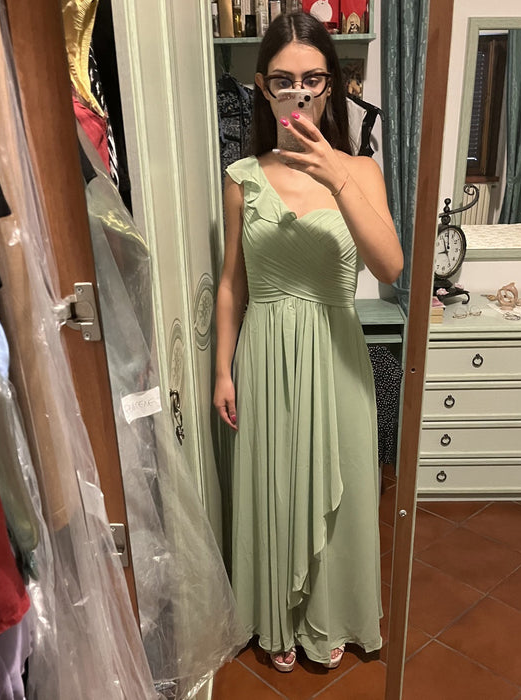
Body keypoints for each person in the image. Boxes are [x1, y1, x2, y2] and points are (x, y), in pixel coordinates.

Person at [213, 12, 403, 674]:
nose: (299, 92)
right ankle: (276, 616)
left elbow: (389, 265)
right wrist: (222, 371)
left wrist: (337, 173)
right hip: (265, 354)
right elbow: (231, 285)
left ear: (332, 86)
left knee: (344, 488)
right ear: (263, 88)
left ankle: (332, 613)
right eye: (283, 80)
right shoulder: (241, 176)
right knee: (273, 486)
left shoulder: (362, 172)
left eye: (313, 79)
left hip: (336, 354)